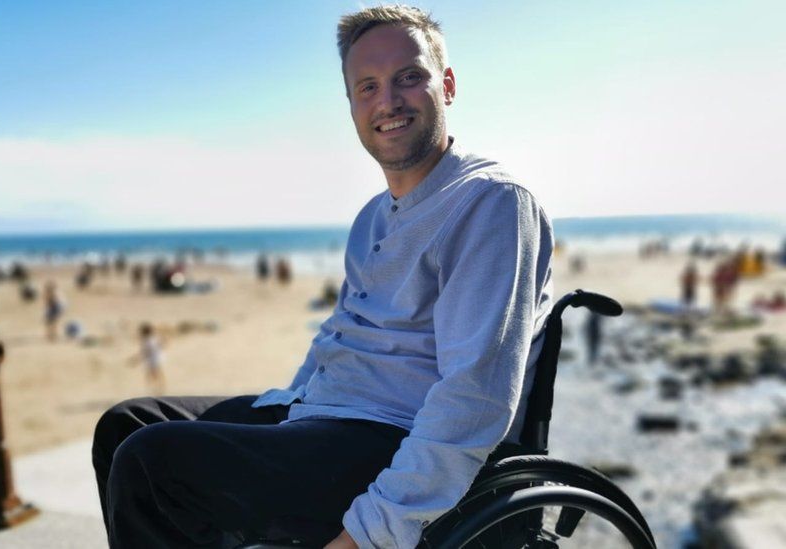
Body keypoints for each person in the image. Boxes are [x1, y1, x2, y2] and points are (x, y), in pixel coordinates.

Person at [92, 6, 553, 549]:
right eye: (368, 86)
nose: (388, 100)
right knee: (127, 424)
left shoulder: (490, 202)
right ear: (353, 105)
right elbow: (341, 334)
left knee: (153, 464)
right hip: (322, 415)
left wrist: (370, 534)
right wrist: (285, 409)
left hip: (391, 437)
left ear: (447, 86)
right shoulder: (373, 217)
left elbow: (474, 397)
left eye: (409, 77)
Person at [133, 323, 165, 396]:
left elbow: (147, 351)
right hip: (155, 358)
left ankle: (157, 389)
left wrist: (137, 358)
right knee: (154, 374)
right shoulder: (153, 338)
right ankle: (157, 389)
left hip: (153, 359)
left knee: (154, 374)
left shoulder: (148, 340)